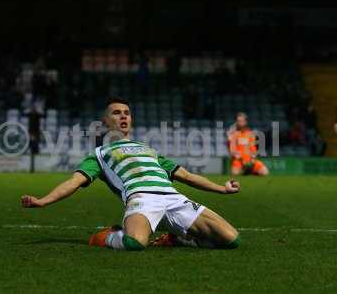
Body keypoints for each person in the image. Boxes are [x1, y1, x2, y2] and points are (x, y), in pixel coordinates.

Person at [22, 97, 241, 251]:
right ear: (106, 121)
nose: (123, 116)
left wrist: (222, 188)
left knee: (231, 239)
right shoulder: (99, 154)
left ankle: (180, 239)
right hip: (141, 199)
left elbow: (187, 176)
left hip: (174, 198)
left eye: (127, 113)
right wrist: (44, 201)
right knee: (134, 243)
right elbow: (74, 182)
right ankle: (106, 236)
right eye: (116, 113)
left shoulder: (150, 150)